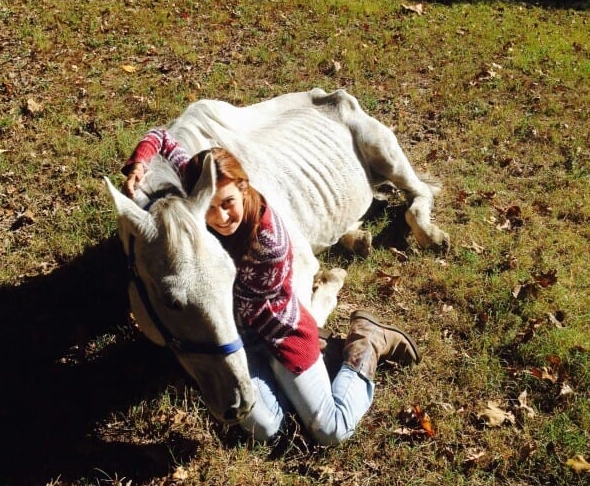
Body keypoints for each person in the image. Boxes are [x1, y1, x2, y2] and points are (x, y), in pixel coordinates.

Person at [122, 128, 420, 445]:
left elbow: (234, 305)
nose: (220, 217)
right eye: (208, 206)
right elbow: (163, 138)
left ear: (243, 187)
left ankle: (368, 340)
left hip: (279, 332)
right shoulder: (200, 187)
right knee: (267, 429)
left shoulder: (269, 243)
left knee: (331, 431)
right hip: (236, 337)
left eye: (228, 203)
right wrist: (139, 164)